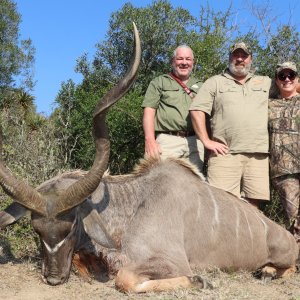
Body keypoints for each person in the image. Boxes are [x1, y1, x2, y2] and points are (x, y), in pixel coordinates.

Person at [189, 42, 272, 208]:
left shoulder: (265, 82)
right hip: (224, 154)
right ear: (230, 57)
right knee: (222, 206)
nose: (240, 59)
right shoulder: (215, 82)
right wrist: (206, 141)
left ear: (250, 59)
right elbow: (197, 110)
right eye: (236, 55)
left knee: (253, 208)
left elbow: (289, 87)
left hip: (258, 155)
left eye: (244, 56)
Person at [141, 45, 205, 172]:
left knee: (193, 187)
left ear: (193, 62)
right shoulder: (159, 82)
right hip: (168, 141)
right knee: (162, 184)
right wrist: (150, 140)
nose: (184, 63)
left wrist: (207, 143)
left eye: (188, 59)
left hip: (196, 143)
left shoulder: (201, 86)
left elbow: (207, 117)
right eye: (180, 59)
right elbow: (149, 111)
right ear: (173, 61)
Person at [268, 62, 300, 242]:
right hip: (283, 170)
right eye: (282, 76)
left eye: (291, 75)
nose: (287, 79)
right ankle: (294, 258)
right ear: (277, 80)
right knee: (292, 217)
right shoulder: (268, 105)